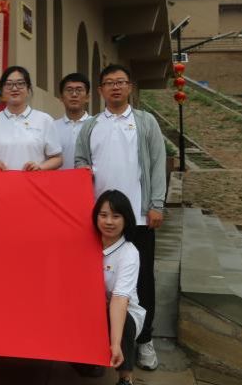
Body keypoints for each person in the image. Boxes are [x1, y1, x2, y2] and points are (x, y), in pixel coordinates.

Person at [75, 64, 166, 370]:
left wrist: (156, 204)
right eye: (109, 83)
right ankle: (98, 338)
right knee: (97, 280)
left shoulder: (145, 122)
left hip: (138, 216)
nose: (115, 87)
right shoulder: (91, 126)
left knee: (143, 280)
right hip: (101, 220)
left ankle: (145, 339)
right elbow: (80, 161)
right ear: (100, 90)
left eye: (121, 82)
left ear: (130, 87)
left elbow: (157, 162)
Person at [93, 189, 146, 385]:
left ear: (126, 219)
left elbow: (120, 299)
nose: (109, 222)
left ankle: (125, 378)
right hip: (92, 307)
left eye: (116, 216)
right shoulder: (87, 244)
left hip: (123, 309)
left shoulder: (129, 253)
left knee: (122, 322)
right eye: (103, 215)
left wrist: (115, 344)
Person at [0, 65, 62, 171]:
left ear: (28, 89)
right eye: (9, 84)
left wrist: (40, 167)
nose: (15, 88)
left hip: (34, 180)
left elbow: (57, 159)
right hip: (2, 180)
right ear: (2, 90)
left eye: (20, 84)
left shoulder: (45, 120)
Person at [54, 73, 91, 169]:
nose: (74, 94)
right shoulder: (52, 127)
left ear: (87, 97)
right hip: (59, 178)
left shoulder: (96, 125)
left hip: (90, 178)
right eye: (69, 90)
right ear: (61, 97)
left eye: (79, 90)